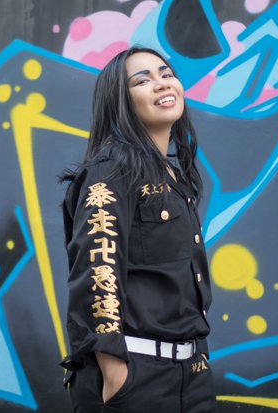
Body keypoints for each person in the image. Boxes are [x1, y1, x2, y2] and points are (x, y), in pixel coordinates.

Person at [60, 46, 215, 412]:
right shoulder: (110, 170)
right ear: (120, 102)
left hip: (191, 373)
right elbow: (97, 268)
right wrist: (115, 373)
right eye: (142, 80)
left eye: (166, 74)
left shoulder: (173, 175)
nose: (162, 84)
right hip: (138, 378)